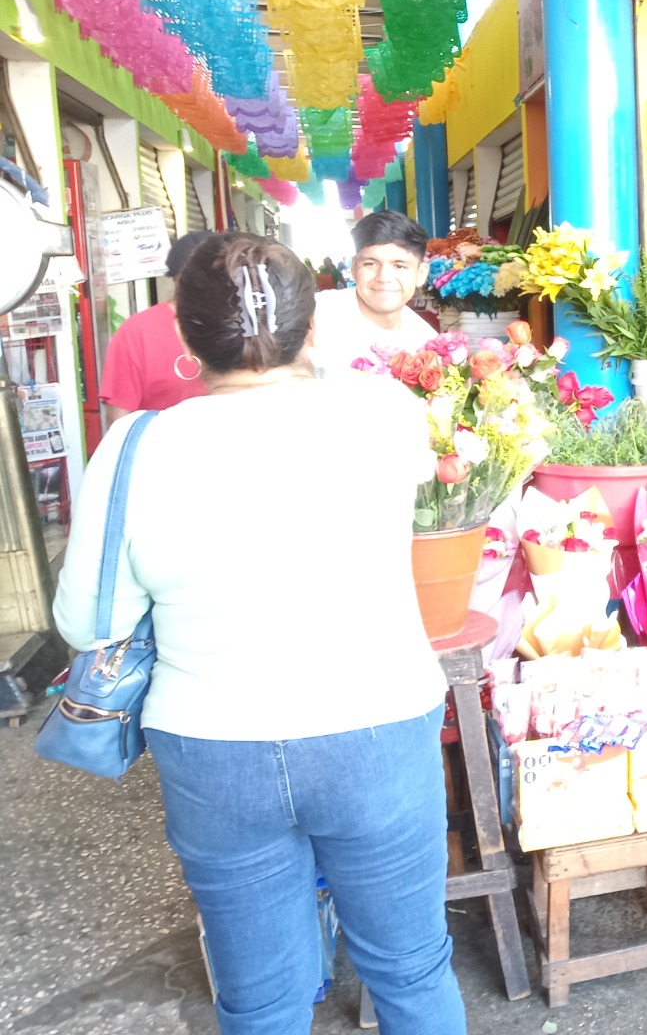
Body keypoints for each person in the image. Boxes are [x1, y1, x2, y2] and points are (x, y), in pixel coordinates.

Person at [52, 234, 466, 1034]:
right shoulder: (385, 414)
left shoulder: (131, 448)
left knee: (262, 997)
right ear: (314, 329)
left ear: (181, 335)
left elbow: (85, 622)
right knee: (410, 971)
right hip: (375, 728)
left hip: (213, 751)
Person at [98, 231, 212, 423]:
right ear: (177, 278)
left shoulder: (244, 326)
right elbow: (119, 423)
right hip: (163, 451)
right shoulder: (137, 333)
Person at [309, 211, 436, 373]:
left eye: (399, 266)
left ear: (421, 274)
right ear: (354, 267)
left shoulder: (424, 341)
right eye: (370, 264)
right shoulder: (314, 317)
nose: (383, 277)